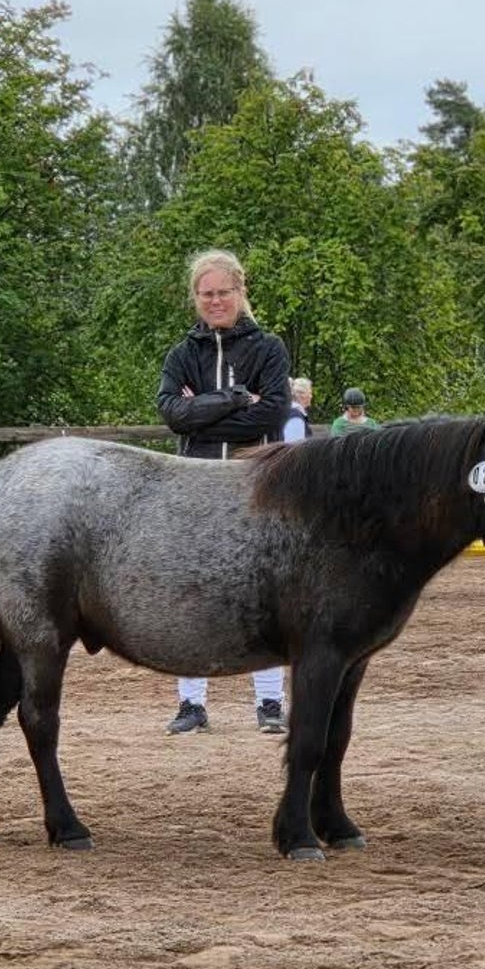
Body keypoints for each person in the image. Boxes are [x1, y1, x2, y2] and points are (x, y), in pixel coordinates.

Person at [156, 249, 290, 737]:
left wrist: (204, 412)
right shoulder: (181, 354)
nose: (215, 301)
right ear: (196, 297)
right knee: (191, 594)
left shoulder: (269, 348)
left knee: (265, 593)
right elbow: (173, 414)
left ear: (240, 291)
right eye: (206, 293)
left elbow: (272, 412)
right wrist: (235, 398)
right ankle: (191, 704)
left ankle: (270, 702)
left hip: (254, 484)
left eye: (223, 292)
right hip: (195, 486)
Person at [283, 377, 314, 441]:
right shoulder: (295, 415)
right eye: (310, 393)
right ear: (302, 395)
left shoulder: (293, 412)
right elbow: (295, 444)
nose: (311, 396)